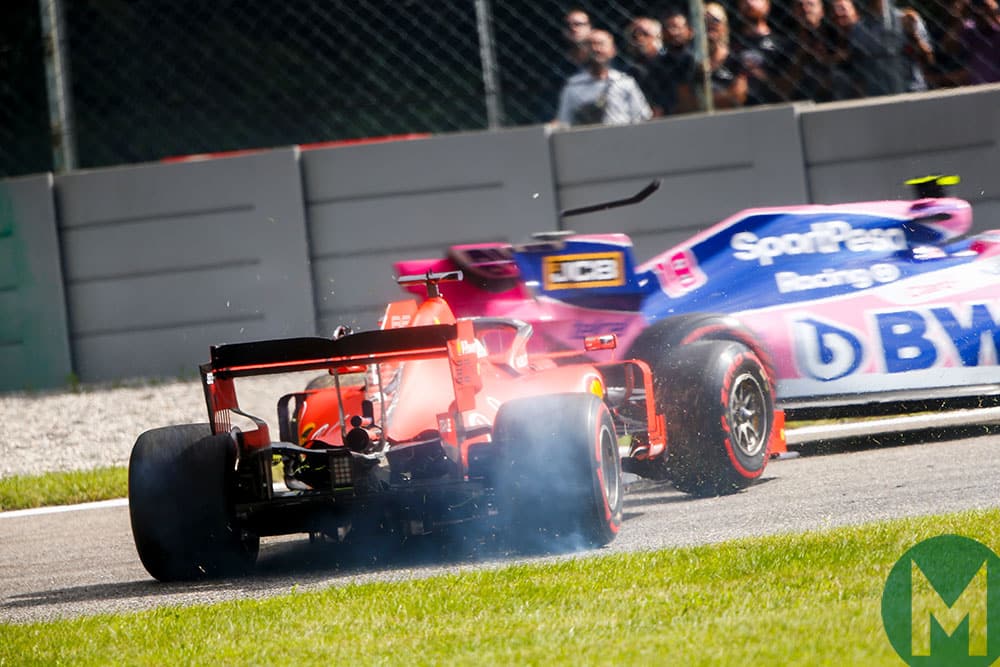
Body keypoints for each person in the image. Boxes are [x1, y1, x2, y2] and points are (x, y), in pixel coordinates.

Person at [555, 29, 653, 127]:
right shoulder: (573, 85)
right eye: (590, 44)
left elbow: (642, 117)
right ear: (583, 51)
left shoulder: (624, 82)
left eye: (601, 44)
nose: (596, 49)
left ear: (613, 50)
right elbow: (564, 121)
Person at [675, 3, 748, 112]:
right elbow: (685, 101)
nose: (710, 25)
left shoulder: (736, 58)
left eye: (715, 20)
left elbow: (738, 96)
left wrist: (704, 101)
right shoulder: (687, 61)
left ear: (724, 26)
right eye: (704, 21)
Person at [731, 0, 793, 105]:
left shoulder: (783, 45)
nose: (749, 2)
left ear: (767, 4)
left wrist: (764, 77)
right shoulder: (730, 47)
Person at [786, 0, 835, 101]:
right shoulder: (786, 45)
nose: (805, 9)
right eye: (800, 5)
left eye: (810, 4)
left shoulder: (835, 37)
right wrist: (799, 58)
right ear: (793, 12)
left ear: (822, 11)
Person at [623, 16, 670, 116]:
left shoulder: (670, 64)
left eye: (645, 34)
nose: (640, 39)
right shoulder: (628, 71)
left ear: (658, 36)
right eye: (634, 36)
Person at [655, 9, 697, 115]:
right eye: (668, 27)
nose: (672, 32)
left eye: (677, 27)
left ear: (690, 31)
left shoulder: (697, 62)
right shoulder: (655, 65)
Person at [962, 0, 1000, 83]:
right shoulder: (970, 30)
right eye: (983, 11)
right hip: (979, 85)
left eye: (995, 12)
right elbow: (948, 46)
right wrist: (962, 17)